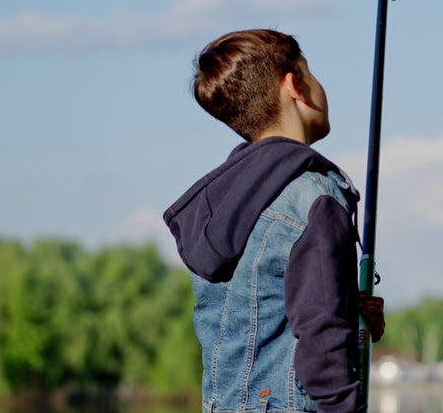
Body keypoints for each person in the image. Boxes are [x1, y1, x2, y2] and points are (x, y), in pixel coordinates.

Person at [164, 29, 383, 413]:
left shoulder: (223, 203)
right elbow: (322, 344)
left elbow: (261, 314)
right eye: (310, 73)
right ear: (294, 86)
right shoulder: (316, 198)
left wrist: (350, 310)